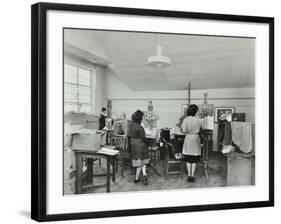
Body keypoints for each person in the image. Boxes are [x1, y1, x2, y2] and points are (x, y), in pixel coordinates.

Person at [181, 104, 203, 182]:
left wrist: (187, 131)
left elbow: (183, 131)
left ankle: (188, 175)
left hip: (188, 138)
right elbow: (203, 129)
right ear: (196, 111)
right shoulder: (199, 120)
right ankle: (192, 176)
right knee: (194, 159)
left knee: (188, 158)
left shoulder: (186, 119)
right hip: (196, 138)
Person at [128, 110, 149, 185]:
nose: (143, 118)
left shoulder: (131, 124)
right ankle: (136, 178)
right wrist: (148, 141)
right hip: (140, 145)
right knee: (141, 161)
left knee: (141, 161)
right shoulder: (140, 128)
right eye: (142, 117)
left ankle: (144, 175)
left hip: (133, 143)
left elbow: (129, 135)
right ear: (140, 118)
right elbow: (143, 138)